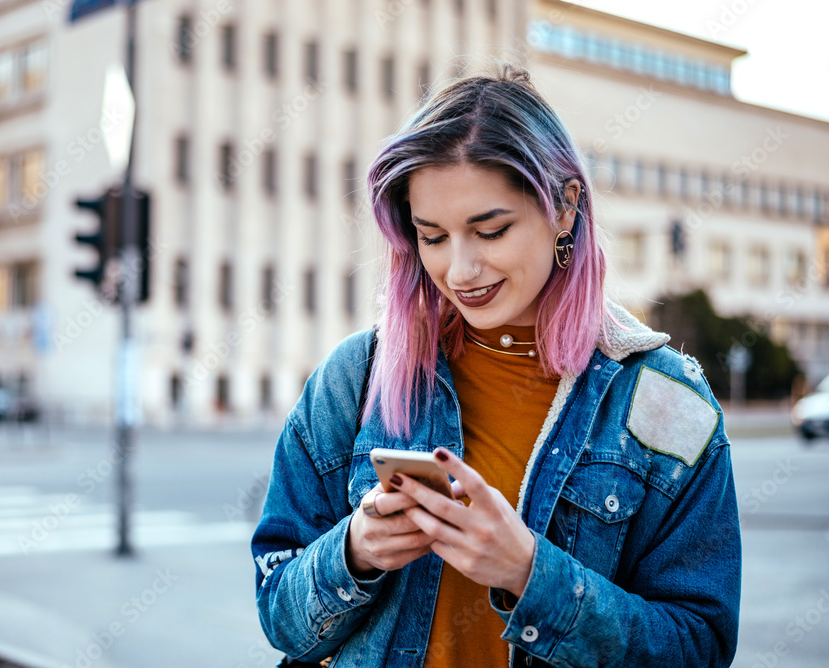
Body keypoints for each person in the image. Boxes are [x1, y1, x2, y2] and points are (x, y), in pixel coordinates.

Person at [251, 65, 741, 668]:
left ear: (565, 207)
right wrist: (354, 551)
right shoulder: (356, 377)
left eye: (491, 230)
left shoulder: (665, 401)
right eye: (432, 237)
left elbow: (700, 649)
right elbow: (278, 612)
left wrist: (531, 574)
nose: (460, 271)